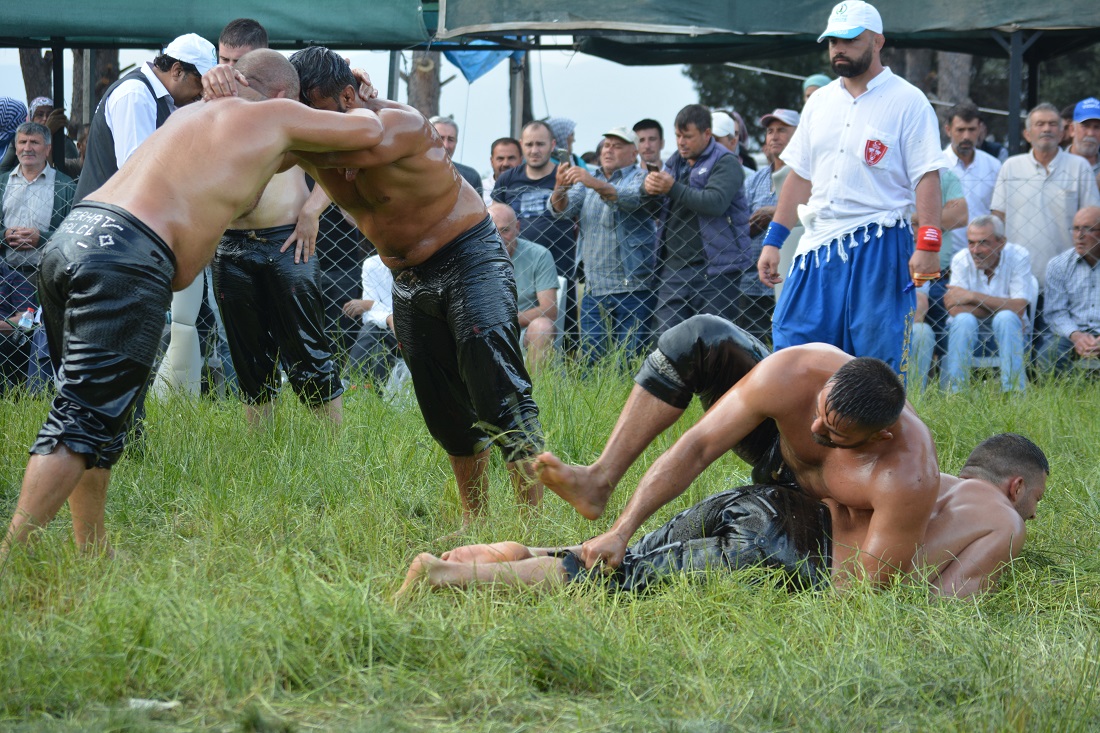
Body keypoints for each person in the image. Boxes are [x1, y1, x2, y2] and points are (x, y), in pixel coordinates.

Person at [1, 49, 384, 556]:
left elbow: (291, 159)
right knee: (81, 418)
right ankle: (11, 556)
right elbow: (369, 135)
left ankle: (91, 548)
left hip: (74, 239)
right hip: (126, 256)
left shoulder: (196, 116)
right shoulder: (273, 112)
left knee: (93, 409)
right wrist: (358, 96)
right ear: (281, 96)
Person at [286, 46, 544, 526]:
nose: (306, 122)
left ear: (347, 96)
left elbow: (356, 146)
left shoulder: (399, 123)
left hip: (469, 257)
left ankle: (534, 521)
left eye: (314, 111)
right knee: (442, 402)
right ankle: (476, 519)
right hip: (406, 277)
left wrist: (287, 122)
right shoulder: (308, 130)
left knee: (495, 384)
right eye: (299, 112)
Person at [535, 314, 940, 587]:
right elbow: (697, 447)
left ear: (877, 438)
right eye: (818, 411)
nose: (815, 428)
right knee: (702, 335)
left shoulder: (908, 475)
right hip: (775, 453)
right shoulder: (795, 373)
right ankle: (598, 479)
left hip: (803, 519)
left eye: (833, 433)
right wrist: (622, 530)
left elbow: (869, 586)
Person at [400, 433, 1047, 600]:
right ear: (1015, 486)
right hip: (787, 551)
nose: (1031, 519)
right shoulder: (1004, 520)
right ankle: (444, 577)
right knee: (620, 585)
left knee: (624, 558)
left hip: (757, 500)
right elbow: (945, 606)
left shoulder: (926, 475)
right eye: (1036, 504)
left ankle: (516, 554)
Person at [757, 1, 945, 375]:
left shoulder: (909, 100)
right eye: (832, 41)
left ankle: (878, 433)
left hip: (880, 241)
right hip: (818, 243)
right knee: (793, 350)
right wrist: (773, 240)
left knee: (875, 359)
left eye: (849, 40)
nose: (838, 48)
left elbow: (927, 175)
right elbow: (800, 176)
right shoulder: (820, 102)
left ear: (877, 42)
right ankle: (798, 434)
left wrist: (928, 245)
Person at [203, 19, 344, 426]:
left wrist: (312, 209)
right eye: (222, 60)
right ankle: (259, 449)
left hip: (287, 239)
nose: (228, 69)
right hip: (231, 244)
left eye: (236, 62)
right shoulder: (214, 101)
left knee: (307, 347)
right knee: (247, 355)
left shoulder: (290, 98)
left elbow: (338, 158)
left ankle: (331, 450)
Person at [75, 34, 216, 412]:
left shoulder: (162, 99)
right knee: (115, 342)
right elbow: (142, 177)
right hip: (108, 237)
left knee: (125, 340)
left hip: (122, 236)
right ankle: (115, 431)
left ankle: (123, 431)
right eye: (199, 84)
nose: (201, 95)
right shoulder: (135, 95)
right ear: (176, 69)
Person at [549, 126, 656, 363]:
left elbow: (633, 199)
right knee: (592, 363)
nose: (609, 150)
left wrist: (593, 183)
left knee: (629, 361)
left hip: (633, 287)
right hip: (594, 288)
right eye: (606, 145)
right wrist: (560, 188)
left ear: (633, 153)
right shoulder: (589, 178)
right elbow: (562, 210)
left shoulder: (642, 177)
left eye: (617, 146)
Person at [645, 104, 752, 334]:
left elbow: (715, 202)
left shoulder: (726, 162)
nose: (681, 142)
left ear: (706, 134)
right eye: (677, 136)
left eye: (688, 136)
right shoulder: (675, 162)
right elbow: (658, 210)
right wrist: (649, 191)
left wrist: (672, 187)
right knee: (668, 342)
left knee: (713, 342)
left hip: (716, 270)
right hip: (673, 268)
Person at [991, 103, 1100, 291]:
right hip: (1018, 275)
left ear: (1061, 133)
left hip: (1068, 276)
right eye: (1039, 124)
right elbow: (997, 217)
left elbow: (1093, 220)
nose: (1046, 129)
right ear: (1027, 134)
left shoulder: (1079, 167)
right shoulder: (1010, 167)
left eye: (1051, 124)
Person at [492, 120, 578, 349]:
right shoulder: (508, 179)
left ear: (552, 145)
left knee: (565, 333)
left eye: (540, 144)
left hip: (559, 262)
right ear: (521, 145)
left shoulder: (563, 175)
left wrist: (560, 187)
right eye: (529, 144)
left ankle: (567, 378)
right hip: (513, 263)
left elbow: (567, 209)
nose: (534, 150)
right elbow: (495, 218)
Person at [939, 215, 1037, 393]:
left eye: (983, 243)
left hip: (1010, 339)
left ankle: (1013, 393)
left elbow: (1019, 308)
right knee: (963, 320)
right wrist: (1002, 305)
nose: (975, 250)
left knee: (1006, 318)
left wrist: (971, 296)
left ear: (1001, 242)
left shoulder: (1018, 256)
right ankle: (956, 394)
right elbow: (954, 308)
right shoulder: (960, 259)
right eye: (971, 243)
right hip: (968, 338)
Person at [741, 108, 800, 344]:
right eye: (770, 131)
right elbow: (737, 226)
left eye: (782, 130)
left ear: (799, 136)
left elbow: (816, 213)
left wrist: (775, 214)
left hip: (793, 282)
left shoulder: (809, 177)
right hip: (753, 284)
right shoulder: (754, 180)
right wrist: (751, 224)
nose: (774, 136)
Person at [1, 122, 77, 281]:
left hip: (48, 277)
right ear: (15, 148)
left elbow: (75, 235)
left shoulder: (65, 186)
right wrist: (5, 236)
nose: (27, 148)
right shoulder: (2, 183)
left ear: (47, 148)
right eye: (22, 142)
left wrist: (43, 239)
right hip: (5, 277)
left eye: (34, 142)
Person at [489, 203, 559, 366]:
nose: (498, 237)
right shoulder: (474, 258)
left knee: (542, 326)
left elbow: (549, 310)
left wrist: (507, 321)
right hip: (486, 330)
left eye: (505, 230)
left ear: (517, 227)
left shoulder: (539, 255)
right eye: (492, 231)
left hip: (524, 329)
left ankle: (536, 388)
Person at [1038, 205, 1100, 371]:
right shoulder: (1058, 265)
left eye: (1088, 229)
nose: (1079, 236)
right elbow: (1056, 312)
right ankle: (1072, 394)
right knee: (1047, 357)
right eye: (1076, 229)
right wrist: (1076, 336)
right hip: (1072, 335)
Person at [430, 115, 483, 195]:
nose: (446, 145)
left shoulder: (470, 177)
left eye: (451, 139)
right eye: (440, 138)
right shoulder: (410, 172)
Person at [1068, 98, 1100, 182]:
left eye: (1097, 127)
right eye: (1085, 126)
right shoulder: (1053, 164)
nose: (1090, 133)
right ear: (1072, 129)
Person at [482, 137, 521, 206]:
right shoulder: (479, 191)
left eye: (511, 158)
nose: (505, 164)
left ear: (521, 159)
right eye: (500, 158)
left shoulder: (530, 188)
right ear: (492, 161)